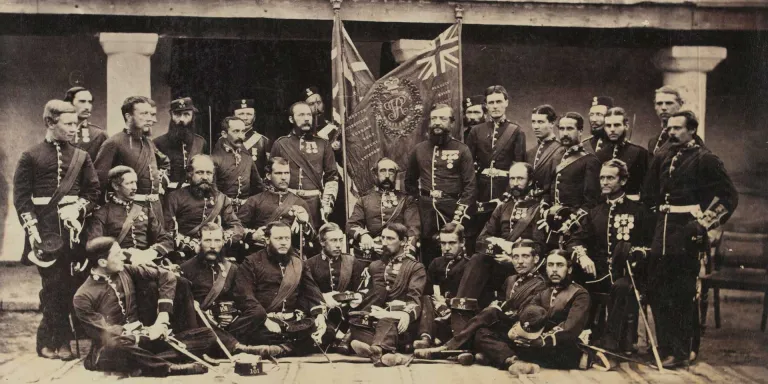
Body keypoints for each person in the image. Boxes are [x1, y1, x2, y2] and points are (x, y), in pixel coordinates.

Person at [642, 110, 738, 368]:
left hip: (687, 233)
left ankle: (682, 351)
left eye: (677, 128)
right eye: (669, 128)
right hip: (660, 232)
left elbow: (729, 197)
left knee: (681, 294)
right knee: (657, 291)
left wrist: (703, 224)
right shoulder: (662, 155)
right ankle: (664, 348)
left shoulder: (706, 159)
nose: (671, 132)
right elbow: (649, 195)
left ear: (692, 130)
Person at [13, 100, 100, 360]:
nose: (75, 128)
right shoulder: (31, 156)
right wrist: (33, 231)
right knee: (53, 287)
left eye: (77, 123)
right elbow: (21, 199)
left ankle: (51, 340)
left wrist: (80, 209)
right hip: (45, 233)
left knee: (71, 285)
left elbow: (93, 191)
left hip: (74, 232)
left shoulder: (81, 157)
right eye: (69, 124)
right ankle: (58, 342)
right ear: (50, 123)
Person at [73, 237, 216, 377]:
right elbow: (105, 333)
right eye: (118, 254)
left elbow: (167, 276)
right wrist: (143, 336)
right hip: (117, 346)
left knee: (207, 335)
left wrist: (162, 318)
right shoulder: (83, 296)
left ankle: (145, 363)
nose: (124, 257)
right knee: (116, 346)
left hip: (145, 340)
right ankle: (169, 367)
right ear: (102, 262)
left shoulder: (126, 270)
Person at [566, 159, 653, 354]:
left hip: (628, 273)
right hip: (599, 273)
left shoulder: (638, 211)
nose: (604, 182)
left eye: (610, 178)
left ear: (622, 181)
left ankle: (611, 345)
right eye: (602, 178)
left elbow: (649, 246)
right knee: (577, 283)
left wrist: (635, 254)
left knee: (621, 287)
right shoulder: (595, 212)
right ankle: (580, 338)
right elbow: (576, 240)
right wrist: (583, 257)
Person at [414, 239, 547, 366]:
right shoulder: (511, 279)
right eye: (516, 257)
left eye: (525, 256)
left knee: (490, 313)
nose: (520, 262)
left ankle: (447, 348)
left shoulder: (540, 284)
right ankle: (499, 356)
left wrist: (497, 309)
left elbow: (525, 314)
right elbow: (500, 299)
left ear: (535, 259)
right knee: (479, 332)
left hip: (517, 329)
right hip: (500, 328)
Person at [450, 162, 548, 334]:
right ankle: (461, 319)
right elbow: (482, 238)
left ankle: (466, 332)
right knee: (477, 259)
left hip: (522, 268)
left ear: (530, 181)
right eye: (512, 179)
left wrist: (513, 258)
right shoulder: (503, 207)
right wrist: (500, 243)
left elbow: (539, 247)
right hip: (498, 266)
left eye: (520, 179)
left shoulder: (538, 208)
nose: (515, 183)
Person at [181, 222, 284, 356]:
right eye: (207, 240)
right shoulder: (185, 269)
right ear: (199, 242)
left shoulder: (232, 268)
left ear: (223, 242)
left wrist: (263, 318)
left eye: (217, 240)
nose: (213, 245)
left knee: (257, 312)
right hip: (202, 324)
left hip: (229, 325)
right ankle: (237, 347)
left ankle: (222, 345)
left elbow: (243, 298)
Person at [229, 221, 328, 357]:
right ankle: (286, 347)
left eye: (287, 238)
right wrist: (265, 320)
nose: (283, 243)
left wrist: (320, 316)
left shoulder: (298, 263)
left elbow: (312, 292)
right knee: (257, 333)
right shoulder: (251, 262)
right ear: (267, 239)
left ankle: (277, 349)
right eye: (278, 238)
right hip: (264, 321)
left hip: (292, 322)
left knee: (326, 331)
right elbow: (245, 296)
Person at [405, 103, 477, 268]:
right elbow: (409, 181)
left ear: (451, 123)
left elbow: (470, 187)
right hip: (427, 212)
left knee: (454, 255)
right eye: (434, 118)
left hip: (452, 209)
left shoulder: (462, 149)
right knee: (429, 254)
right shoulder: (419, 149)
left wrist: (458, 218)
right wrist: (419, 203)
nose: (437, 122)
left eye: (442, 118)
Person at [348, 223, 426, 366]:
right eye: (382, 238)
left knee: (386, 322)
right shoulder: (374, 266)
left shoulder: (415, 268)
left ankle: (376, 350)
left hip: (398, 321)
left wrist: (401, 314)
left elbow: (415, 298)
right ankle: (387, 354)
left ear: (403, 241)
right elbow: (365, 293)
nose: (384, 242)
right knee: (356, 323)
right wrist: (356, 298)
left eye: (390, 239)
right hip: (375, 317)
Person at [503, 249, 591, 373]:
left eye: (560, 265)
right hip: (534, 341)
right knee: (492, 331)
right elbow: (528, 312)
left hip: (560, 346)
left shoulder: (579, 294)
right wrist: (519, 332)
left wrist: (542, 341)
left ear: (569, 269)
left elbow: (571, 328)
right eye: (550, 265)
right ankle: (507, 358)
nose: (554, 270)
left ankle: (500, 356)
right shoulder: (544, 292)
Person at [466, 86, 527, 246]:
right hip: (481, 191)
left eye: (499, 101)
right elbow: (469, 166)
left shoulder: (516, 131)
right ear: (485, 105)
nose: (495, 106)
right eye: (491, 102)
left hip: (505, 189)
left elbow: (519, 164)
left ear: (506, 102)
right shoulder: (476, 131)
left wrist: (507, 194)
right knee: (479, 233)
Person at [94, 96, 170, 218]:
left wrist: (160, 182)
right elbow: (99, 181)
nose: (152, 120)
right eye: (145, 114)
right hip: (127, 210)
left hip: (155, 209)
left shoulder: (148, 142)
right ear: (129, 117)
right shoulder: (114, 143)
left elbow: (165, 163)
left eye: (151, 114)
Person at [271, 101, 340, 229]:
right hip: (287, 202)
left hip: (314, 203)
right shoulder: (281, 144)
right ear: (291, 119)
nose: (307, 118)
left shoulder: (323, 144)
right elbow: (270, 177)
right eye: (301, 115)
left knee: (312, 243)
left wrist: (327, 205)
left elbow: (332, 177)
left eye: (309, 115)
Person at [84, 166, 173, 263]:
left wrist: (150, 253)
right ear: (116, 186)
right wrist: (124, 255)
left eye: (135, 182)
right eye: (129, 183)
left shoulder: (145, 210)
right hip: (119, 265)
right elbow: (94, 245)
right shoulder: (102, 213)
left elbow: (165, 239)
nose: (135, 187)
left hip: (146, 263)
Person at [163, 155, 244, 261]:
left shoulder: (221, 198)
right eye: (200, 172)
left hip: (215, 253)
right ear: (190, 174)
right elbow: (167, 231)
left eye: (209, 173)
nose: (205, 177)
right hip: (185, 256)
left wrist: (218, 240)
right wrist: (192, 245)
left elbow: (237, 228)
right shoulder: (175, 198)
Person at [306, 223, 370, 353]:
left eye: (341, 240)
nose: (338, 244)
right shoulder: (310, 264)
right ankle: (341, 339)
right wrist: (323, 297)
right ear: (322, 242)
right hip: (322, 311)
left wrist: (358, 296)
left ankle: (343, 338)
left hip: (347, 312)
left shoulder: (352, 262)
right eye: (333, 240)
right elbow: (307, 291)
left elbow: (362, 287)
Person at [237, 157, 315, 258]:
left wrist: (304, 225)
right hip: (260, 256)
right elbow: (237, 227)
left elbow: (312, 239)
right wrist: (252, 236)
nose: (284, 177)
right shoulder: (255, 201)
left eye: (287, 173)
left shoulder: (300, 203)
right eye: (278, 173)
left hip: (290, 257)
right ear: (269, 175)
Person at [347, 157, 420, 262]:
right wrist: (363, 235)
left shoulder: (407, 200)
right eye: (382, 171)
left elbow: (413, 229)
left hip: (399, 254)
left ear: (396, 175)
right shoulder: (364, 200)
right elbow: (351, 225)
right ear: (375, 174)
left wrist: (406, 253)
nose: (387, 175)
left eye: (391, 171)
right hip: (372, 255)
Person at [413, 223, 470, 350]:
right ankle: (425, 337)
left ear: (462, 242)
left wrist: (447, 303)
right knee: (424, 298)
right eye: (443, 243)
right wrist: (438, 302)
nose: (446, 248)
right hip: (437, 309)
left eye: (452, 243)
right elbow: (429, 289)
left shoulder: (469, 265)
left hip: (457, 311)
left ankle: (442, 340)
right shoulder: (436, 263)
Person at [153, 97, 208, 192]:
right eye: (177, 114)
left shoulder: (200, 142)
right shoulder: (158, 143)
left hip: (194, 195)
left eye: (186, 114)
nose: (182, 119)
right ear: (171, 115)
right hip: (169, 196)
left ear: (193, 116)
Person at [211, 116, 265, 210]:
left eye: (243, 131)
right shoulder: (214, 159)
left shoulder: (247, 158)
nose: (241, 136)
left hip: (246, 210)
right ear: (224, 134)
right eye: (236, 131)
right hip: (221, 209)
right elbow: (212, 191)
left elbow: (258, 187)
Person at [595, 107, 650, 199]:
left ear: (626, 126)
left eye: (616, 125)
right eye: (608, 126)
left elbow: (647, 187)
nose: (612, 129)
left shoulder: (640, 153)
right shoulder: (599, 155)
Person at [550, 112, 601, 210]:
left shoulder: (590, 161)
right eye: (561, 129)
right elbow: (548, 192)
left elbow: (591, 202)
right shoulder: (556, 158)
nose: (565, 133)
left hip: (575, 221)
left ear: (580, 131)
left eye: (570, 128)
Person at [527, 105, 565, 197]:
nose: (536, 126)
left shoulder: (561, 149)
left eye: (540, 122)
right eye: (533, 122)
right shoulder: (530, 153)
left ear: (552, 123)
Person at [64, 86, 108, 161]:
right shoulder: (58, 131)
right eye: (82, 101)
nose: (87, 107)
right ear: (69, 104)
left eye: (90, 102)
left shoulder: (99, 135)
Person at [229, 98, 271, 177]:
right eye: (241, 114)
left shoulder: (263, 141)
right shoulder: (224, 140)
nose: (245, 118)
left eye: (249, 114)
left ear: (254, 117)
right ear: (233, 117)